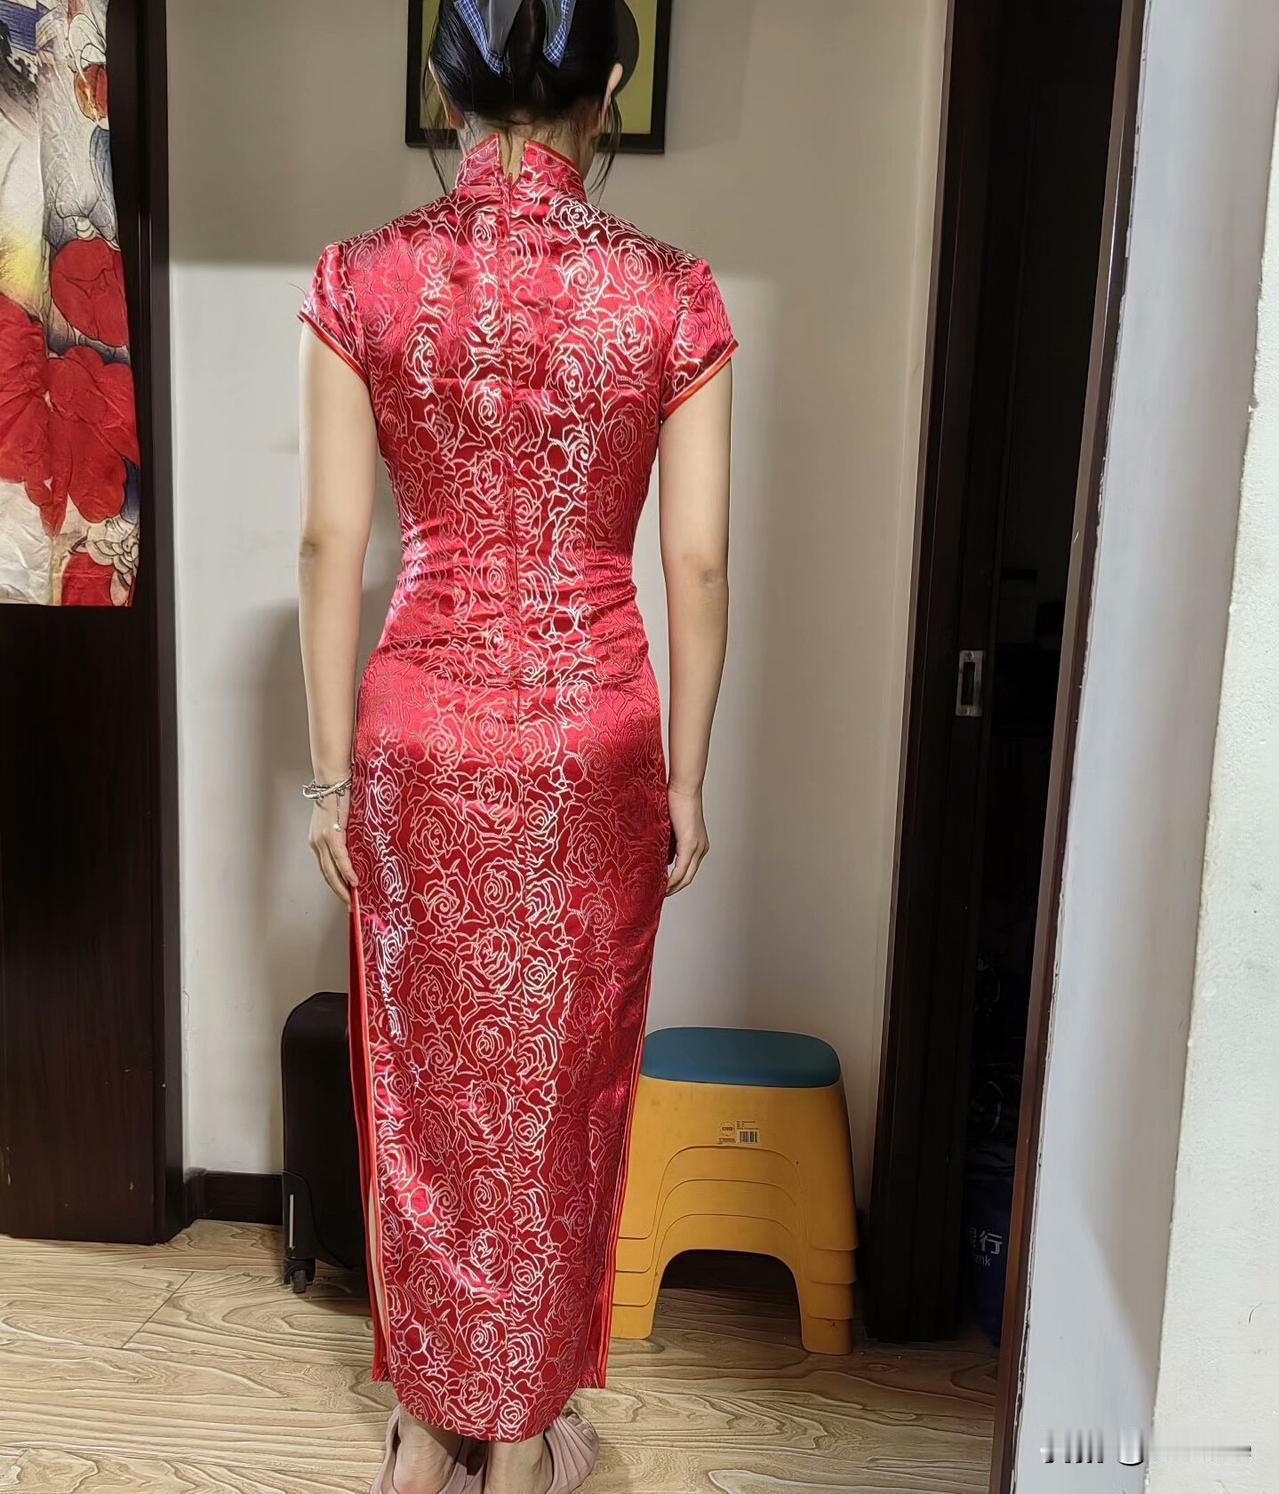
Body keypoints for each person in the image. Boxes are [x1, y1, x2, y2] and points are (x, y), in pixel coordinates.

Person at [296, 1, 736, 1489]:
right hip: (592, 742)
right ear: (608, 88)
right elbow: (697, 565)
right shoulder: (670, 295)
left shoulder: (361, 280)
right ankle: (528, 1430)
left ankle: (427, 1435)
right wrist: (687, 778)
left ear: (449, 92)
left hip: (418, 735)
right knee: (560, 1094)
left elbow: (331, 543)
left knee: (424, 1092)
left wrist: (326, 777)